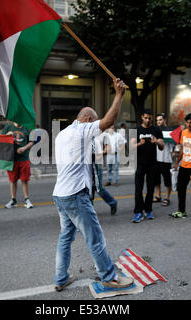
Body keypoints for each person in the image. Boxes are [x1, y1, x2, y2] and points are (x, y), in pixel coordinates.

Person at [53, 78, 133, 291]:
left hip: (60, 195)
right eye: (93, 123)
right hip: (75, 195)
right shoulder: (82, 130)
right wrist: (119, 95)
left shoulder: (62, 134)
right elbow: (108, 121)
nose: (95, 129)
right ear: (87, 119)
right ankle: (108, 275)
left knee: (65, 237)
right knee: (95, 237)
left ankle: (61, 278)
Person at [131, 110, 164, 223]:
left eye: (150, 118)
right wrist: (139, 144)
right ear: (142, 117)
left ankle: (148, 210)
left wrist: (156, 142)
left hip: (152, 164)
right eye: (146, 118)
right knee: (138, 189)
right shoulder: (136, 129)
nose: (148, 120)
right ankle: (138, 212)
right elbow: (130, 147)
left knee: (150, 189)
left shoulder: (156, 129)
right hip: (140, 163)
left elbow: (162, 147)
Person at [2, 121, 35, 209]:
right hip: (11, 159)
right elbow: (0, 141)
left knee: (24, 180)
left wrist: (24, 148)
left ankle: (27, 199)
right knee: (13, 180)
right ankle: (13, 200)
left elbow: (32, 142)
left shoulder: (26, 128)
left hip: (24, 158)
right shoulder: (8, 127)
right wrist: (6, 136)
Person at [93, 133, 118, 215]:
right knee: (88, 188)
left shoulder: (103, 135)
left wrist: (97, 154)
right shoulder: (86, 132)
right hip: (86, 165)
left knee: (99, 188)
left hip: (97, 164)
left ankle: (112, 202)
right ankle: (89, 210)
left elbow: (108, 149)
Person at [154, 113, 173, 206]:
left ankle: (167, 198)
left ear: (165, 120)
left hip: (166, 159)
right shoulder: (155, 131)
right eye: (157, 120)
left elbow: (175, 144)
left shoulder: (170, 132)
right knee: (156, 179)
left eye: (160, 120)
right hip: (156, 159)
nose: (158, 122)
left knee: (167, 180)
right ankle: (158, 196)